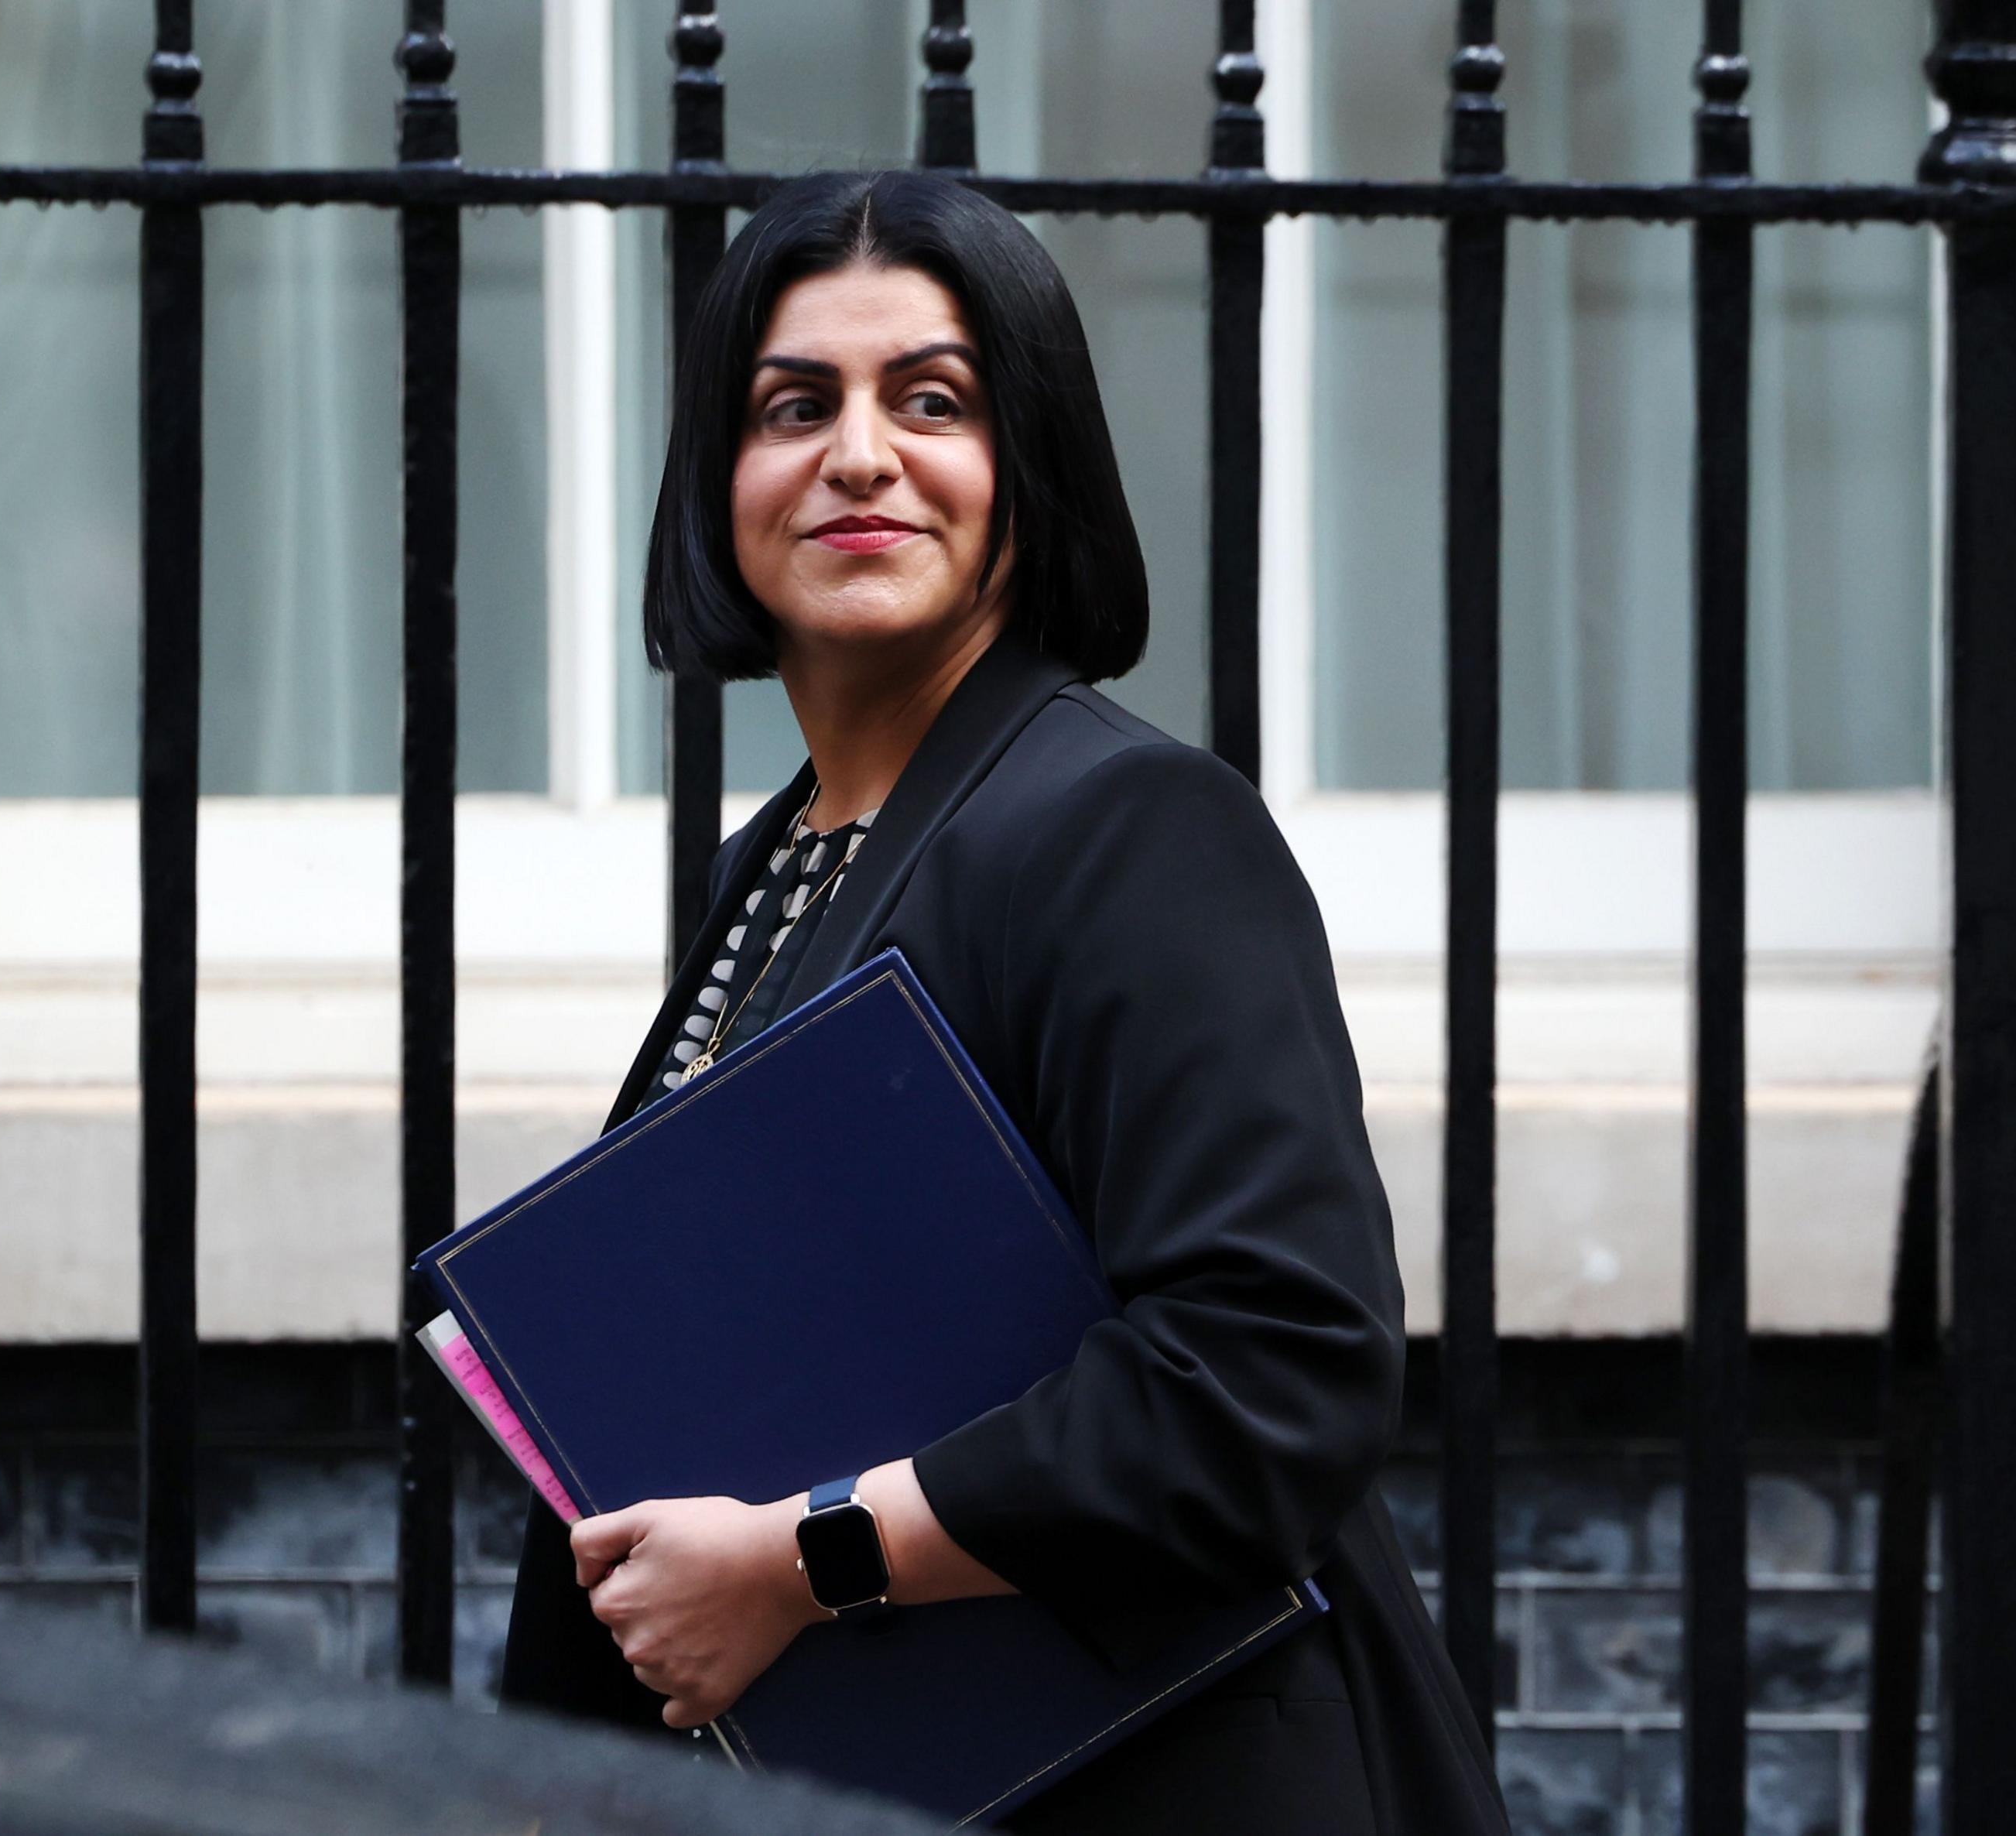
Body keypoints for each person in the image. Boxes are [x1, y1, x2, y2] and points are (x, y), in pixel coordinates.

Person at [496, 168, 1508, 1836]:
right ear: (721, 477)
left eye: (935, 400)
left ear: (1026, 469)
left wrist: (802, 1562)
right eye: (792, 403)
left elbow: (1272, 1375)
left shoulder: (1130, 827)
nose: (860, 454)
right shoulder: (783, 865)